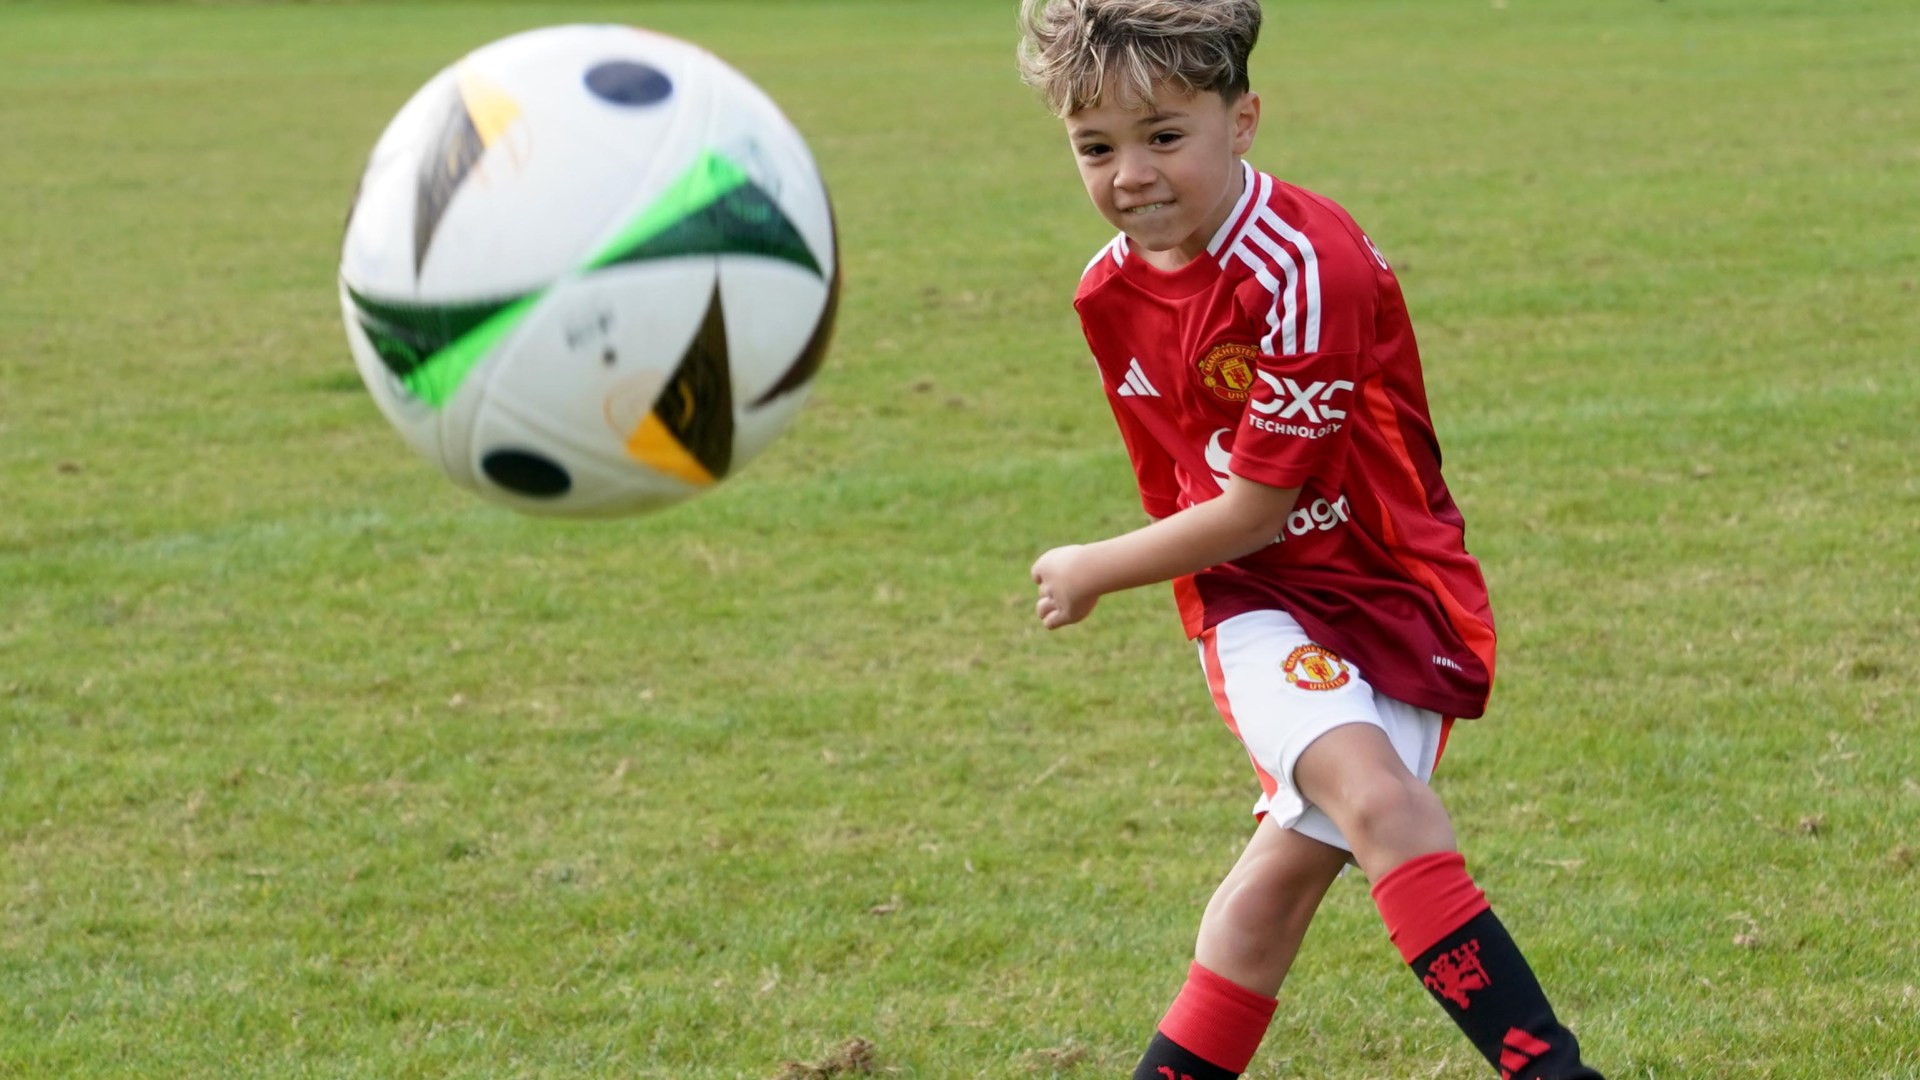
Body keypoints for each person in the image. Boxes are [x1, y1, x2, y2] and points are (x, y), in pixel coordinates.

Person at [1015, 2, 1605, 1077]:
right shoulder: (1107, 292)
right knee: (1380, 802)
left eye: (1163, 136)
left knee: (1277, 888)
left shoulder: (1299, 266)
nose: (1130, 174)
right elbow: (1206, 510)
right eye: (1095, 147)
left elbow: (1258, 502)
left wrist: (1092, 568)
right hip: (1255, 598)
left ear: (1242, 120)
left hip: (1391, 584)